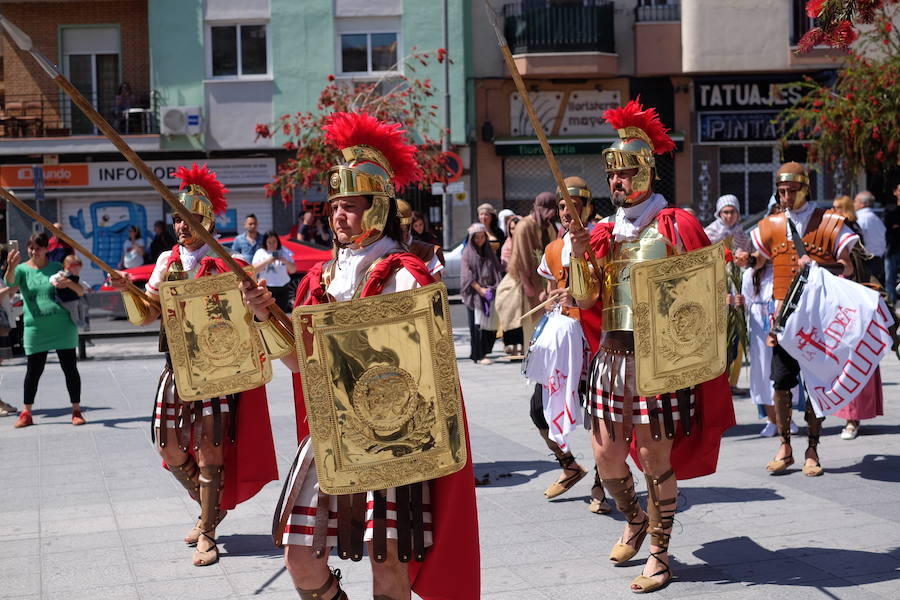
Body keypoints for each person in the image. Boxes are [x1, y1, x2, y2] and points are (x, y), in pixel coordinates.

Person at [241, 112, 479, 600]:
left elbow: (428, 369)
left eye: (349, 206)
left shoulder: (405, 276)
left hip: (394, 437)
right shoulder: (318, 281)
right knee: (299, 556)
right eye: (334, 206)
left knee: (387, 564)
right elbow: (297, 365)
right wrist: (267, 317)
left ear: (378, 208)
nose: (337, 215)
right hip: (333, 436)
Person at [569, 99, 735, 593]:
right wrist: (579, 257)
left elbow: (705, 295)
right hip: (613, 357)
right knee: (606, 456)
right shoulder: (601, 232)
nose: (617, 182)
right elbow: (585, 298)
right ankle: (635, 519)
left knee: (653, 456)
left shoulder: (675, 224)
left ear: (646, 172)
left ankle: (659, 554)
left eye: (626, 172)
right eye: (612, 173)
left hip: (660, 359)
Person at [109, 164, 278, 567]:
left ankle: (207, 531)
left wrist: (251, 289)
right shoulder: (167, 260)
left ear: (207, 221)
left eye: (189, 219)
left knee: (210, 451)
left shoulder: (229, 260)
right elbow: (149, 314)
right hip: (177, 365)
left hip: (218, 371)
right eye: (177, 220)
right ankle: (209, 509)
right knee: (166, 443)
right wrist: (128, 291)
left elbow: (246, 316)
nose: (182, 227)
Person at [741, 161, 858, 478]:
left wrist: (820, 268)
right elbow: (758, 259)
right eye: (781, 190)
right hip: (782, 319)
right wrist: (746, 259)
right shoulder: (771, 224)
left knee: (816, 383)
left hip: (817, 317)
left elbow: (848, 266)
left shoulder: (829, 221)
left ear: (805, 188)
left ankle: (813, 449)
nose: (786, 196)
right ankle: (785, 445)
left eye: (792, 190)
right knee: (781, 383)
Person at [530, 175, 610, 513]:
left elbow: (606, 290)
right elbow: (551, 292)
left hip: (595, 337)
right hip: (562, 340)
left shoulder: (602, 241)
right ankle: (568, 465)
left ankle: (602, 483)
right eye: (562, 206)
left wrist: (580, 296)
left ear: (587, 208)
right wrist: (551, 300)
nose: (567, 212)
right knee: (538, 408)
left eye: (574, 206)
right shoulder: (552, 248)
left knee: (598, 416)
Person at [4, 233, 84, 428]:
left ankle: (76, 410)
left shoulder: (57, 267)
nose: (34, 251)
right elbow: (10, 284)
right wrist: (11, 266)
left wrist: (70, 284)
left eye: (38, 248)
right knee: (33, 371)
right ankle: (26, 413)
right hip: (35, 329)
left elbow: (80, 291)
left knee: (70, 369)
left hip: (62, 327)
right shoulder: (22, 269)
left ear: (47, 249)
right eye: (31, 248)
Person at [497, 192, 557, 348]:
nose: (553, 213)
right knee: (532, 326)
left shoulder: (548, 227)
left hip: (546, 283)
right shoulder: (524, 226)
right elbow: (519, 258)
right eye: (549, 209)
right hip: (530, 283)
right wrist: (527, 284)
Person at [461, 223, 501, 365]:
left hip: (489, 292)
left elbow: (496, 269)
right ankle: (478, 354)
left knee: (489, 325)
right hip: (475, 295)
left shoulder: (489, 251)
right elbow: (467, 276)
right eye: (476, 237)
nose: (479, 240)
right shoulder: (467, 253)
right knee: (476, 326)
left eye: (482, 236)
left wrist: (493, 288)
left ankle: (484, 352)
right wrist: (480, 290)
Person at [397, 200, 444, 280]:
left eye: (421, 224)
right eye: (416, 226)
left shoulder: (430, 237)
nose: (419, 227)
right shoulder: (409, 241)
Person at [252, 230, 297, 313]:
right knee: (268, 312)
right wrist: (267, 261)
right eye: (269, 242)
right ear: (265, 242)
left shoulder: (284, 251)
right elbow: (254, 270)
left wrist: (284, 260)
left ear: (278, 241)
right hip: (267, 287)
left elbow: (293, 270)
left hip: (283, 287)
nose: (272, 245)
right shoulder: (260, 252)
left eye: (274, 242)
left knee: (281, 312)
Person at [853, 191, 887, 284]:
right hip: (878, 260)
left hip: (866, 261)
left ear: (863, 204)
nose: (853, 203)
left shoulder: (860, 219)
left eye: (856, 201)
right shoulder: (877, 219)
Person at [49, 255, 91, 330]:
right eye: (76, 269)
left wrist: (88, 287)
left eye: (79, 270)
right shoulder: (61, 275)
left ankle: (82, 320)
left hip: (74, 298)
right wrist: (54, 282)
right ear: (68, 267)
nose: (78, 272)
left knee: (82, 305)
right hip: (66, 299)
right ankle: (77, 322)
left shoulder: (75, 276)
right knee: (73, 310)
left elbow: (82, 282)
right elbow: (52, 278)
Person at [884, 183, 900, 305]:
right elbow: (888, 226)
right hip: (892, 249)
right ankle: (891, 307)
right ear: (895, 192)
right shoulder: (890, 209)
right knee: (890, 280)